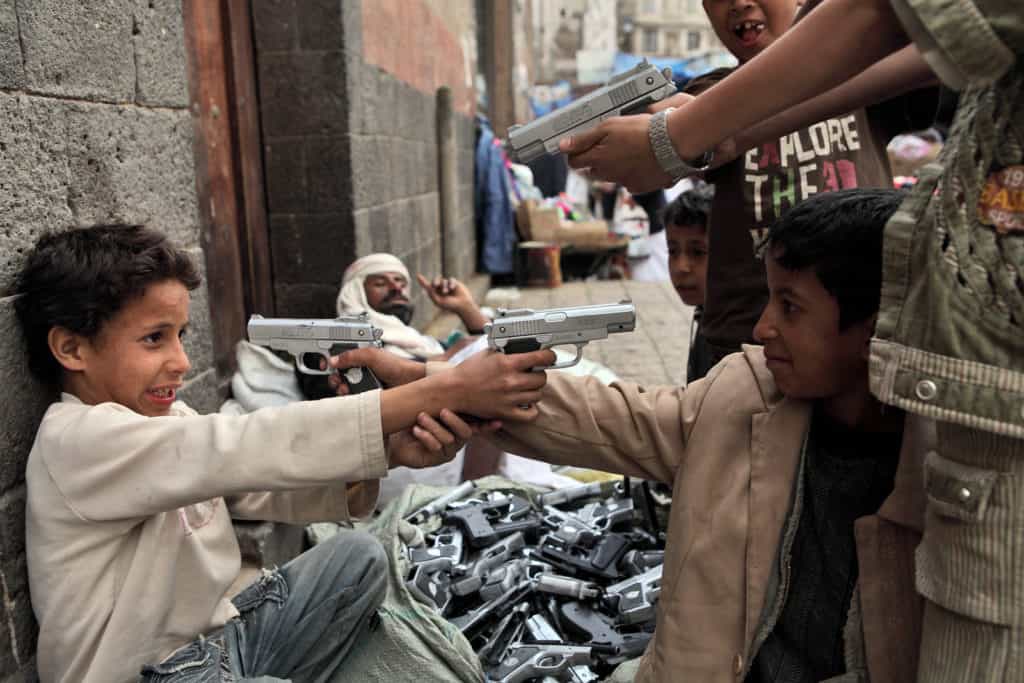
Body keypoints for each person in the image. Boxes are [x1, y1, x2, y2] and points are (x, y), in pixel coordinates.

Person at [560, 1, 1024, 679]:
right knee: (740, 525)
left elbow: (903, 34)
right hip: (784, 356)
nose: (740, 4)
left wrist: (677, 137)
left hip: (906, 375)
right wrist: (697, 131)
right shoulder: (723, 98)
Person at [331, 188, 929, 683]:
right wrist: (429, 382)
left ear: (875, 329)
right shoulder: (747, 396)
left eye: (791, 308)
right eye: (769, 299)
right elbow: (614, 417)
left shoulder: (944, 469)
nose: (762, 326)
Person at [12, 225, 553, 683]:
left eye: (181, 335)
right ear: (71, 348)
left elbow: (253, 482)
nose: (180, 361)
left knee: (359, 558)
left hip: (228, 641)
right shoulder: (77, 440)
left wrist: (389, 451)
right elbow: (244, 446)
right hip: (156, 673)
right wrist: (439, 390)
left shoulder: (165, 421)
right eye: (155, 339)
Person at [568, 1, 940, 384]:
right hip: (743, 338)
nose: (739, 2)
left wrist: (680, 134)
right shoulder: (713, 94)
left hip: (861, 331)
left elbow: (924, 45)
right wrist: (673, 132)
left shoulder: (870, 76)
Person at [336, 252, 489, 361]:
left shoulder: (417, 342)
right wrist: (444, 361)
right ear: (356, 294)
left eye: (400, 281)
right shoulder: (353, 349)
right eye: (380, 283)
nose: (396, 287)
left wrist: (465, 307)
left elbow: (496, 348)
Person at [662, 182, 714, 382]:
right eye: (673, 251)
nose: (681, 267)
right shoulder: (706, 313)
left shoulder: (733, 331)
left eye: (698, 252)